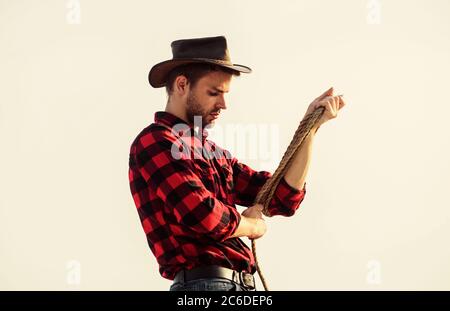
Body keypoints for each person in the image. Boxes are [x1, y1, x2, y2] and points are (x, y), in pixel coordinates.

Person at [128, 36, 345, 291]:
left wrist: (310, 129)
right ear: (182, 85)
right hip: (203, 286)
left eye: (225, 94)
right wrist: (252, 226)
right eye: (214, 93)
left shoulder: (214, 154)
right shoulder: (155, 141)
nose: (223, 104)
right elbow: (201, 214)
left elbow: (282, 197)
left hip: (238, 288)